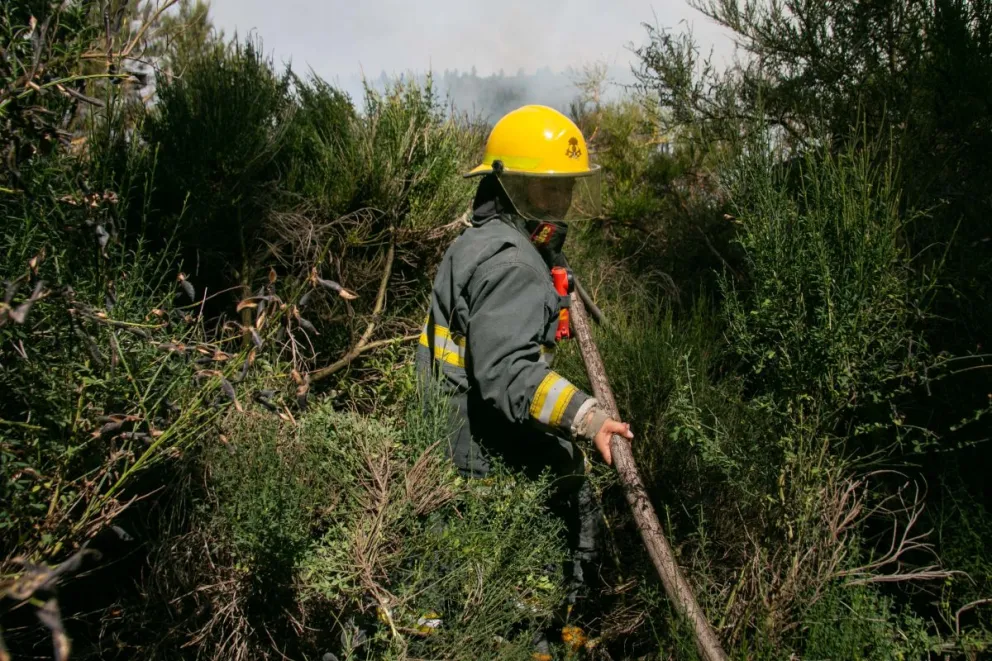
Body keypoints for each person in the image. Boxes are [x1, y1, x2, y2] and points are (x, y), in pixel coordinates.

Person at [416, 105, 634, 658]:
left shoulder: (483, 240)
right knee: (534, 559)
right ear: (506, 185)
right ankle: (551, 639)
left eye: (564, 192)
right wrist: (588, 417)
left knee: (448, 595)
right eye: (541, 192)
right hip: (482, 460)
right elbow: (509, 373)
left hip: (446, 445)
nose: (557, 208)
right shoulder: (513, 264)